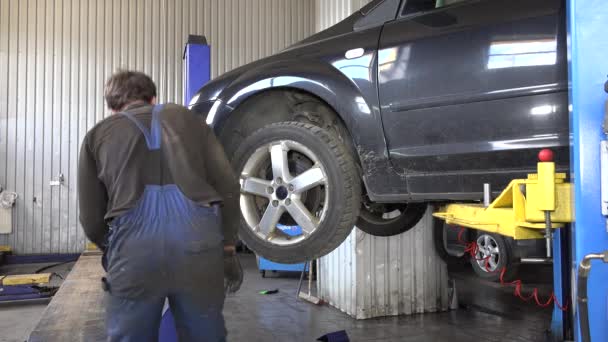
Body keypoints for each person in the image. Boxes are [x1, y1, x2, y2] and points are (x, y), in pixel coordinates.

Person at [78, 70, 243, 341]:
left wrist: (115, 250)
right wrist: (227, 248)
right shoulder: (191, 121)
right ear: (153, 98)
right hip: (197, 244)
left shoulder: (97, 136)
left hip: (134, 249)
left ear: (111, 107)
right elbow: (228, 186)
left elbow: (91, 218)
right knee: (205, 334)